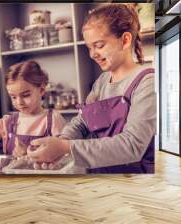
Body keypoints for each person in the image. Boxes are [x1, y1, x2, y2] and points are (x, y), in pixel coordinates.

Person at [27, 4, 156, 173]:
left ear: (125, 40)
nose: (92, 54)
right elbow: (82, 122)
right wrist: (59, 143)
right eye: (89, 47)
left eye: (99, 45)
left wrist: (66, 147)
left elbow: (132, 146)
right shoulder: (101, 82)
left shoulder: (147, 82)